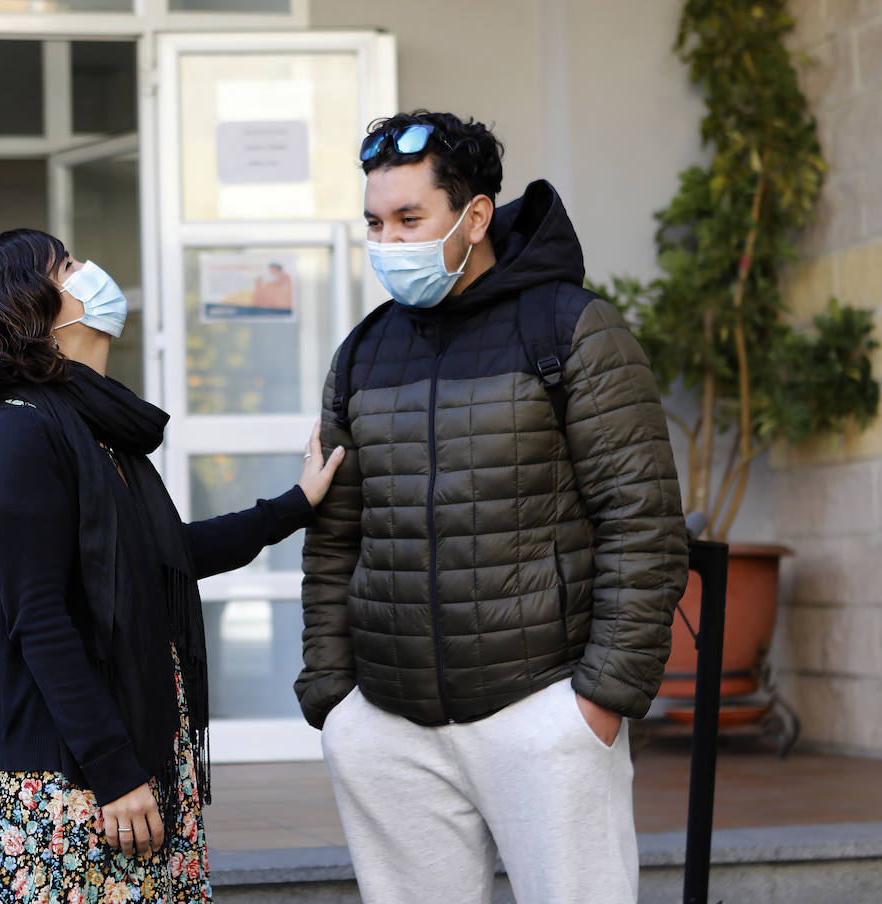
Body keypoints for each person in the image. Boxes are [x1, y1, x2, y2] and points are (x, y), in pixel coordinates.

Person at [296, 110, 690, 904]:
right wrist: (335, 699)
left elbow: (642, 524)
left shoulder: (574, 329)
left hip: (542, 707)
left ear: (474, 216)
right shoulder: (365, 351)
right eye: (375, 221)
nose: (390, 241)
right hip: (387, 722)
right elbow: (335, 537)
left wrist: (601, 701)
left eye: (411, 218)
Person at [0, 228, 345, 903]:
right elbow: (39, 621)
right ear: (31, 311)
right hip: (76, 780)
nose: (90, 273)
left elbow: (170, 556)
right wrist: (114, 773)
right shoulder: (21, 436)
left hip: (132, 761)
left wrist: (295, 505)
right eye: (66, 267)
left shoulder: (98, 432)